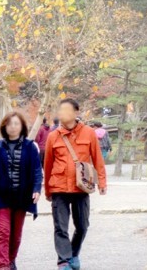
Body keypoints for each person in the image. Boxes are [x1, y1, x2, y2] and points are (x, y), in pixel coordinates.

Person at [44, 98, 107, 270]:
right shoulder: (52, 136)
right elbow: (48, 164)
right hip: (59, 186)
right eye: (60, 110)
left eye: (66, 110)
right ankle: (63, 261)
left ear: (76, 112)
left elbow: (97, 158)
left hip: (81, 187)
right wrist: (47, 190)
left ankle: (73, 254)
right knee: (60, 227)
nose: (62, 113)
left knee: (83, 226)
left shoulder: (88, 133)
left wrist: (102, 181)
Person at [0, 110, 43, 270]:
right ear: (4, 126)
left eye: (16, 123)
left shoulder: (30, 147)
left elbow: (37, 170)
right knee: (3, 233)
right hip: (0, 198)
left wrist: (37, 189)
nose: (13, 127)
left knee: (15, 237)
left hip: (21, 198)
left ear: (22, 126)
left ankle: (10, 260)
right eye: (9, 124)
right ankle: (3, 266)